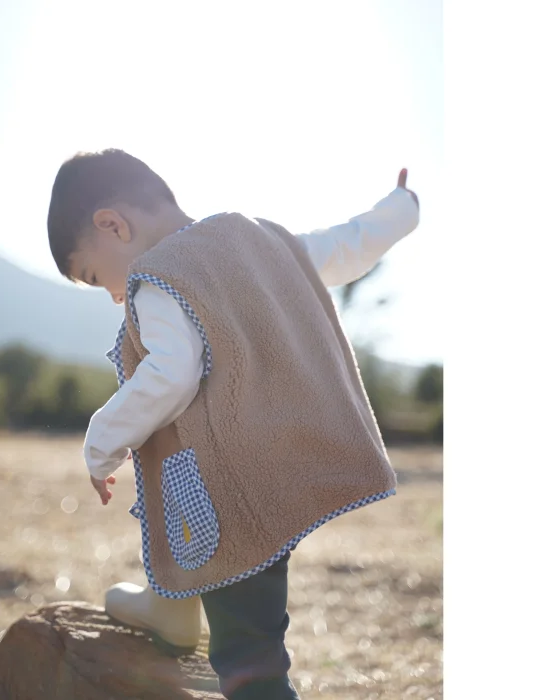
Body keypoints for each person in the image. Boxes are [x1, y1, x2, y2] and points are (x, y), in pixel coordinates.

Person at [47, 149, 419, 700]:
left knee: (249, 655)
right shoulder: (256, 239)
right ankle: (171, 607)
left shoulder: (158, 277)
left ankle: (229, 661)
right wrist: (401, 209)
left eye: (97, 276)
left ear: (113, 225)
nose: (114, 295)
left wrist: (101, 442)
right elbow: (343, 247)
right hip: (280, 458)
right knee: (188, 526)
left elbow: (171, 374)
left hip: (232, 493)